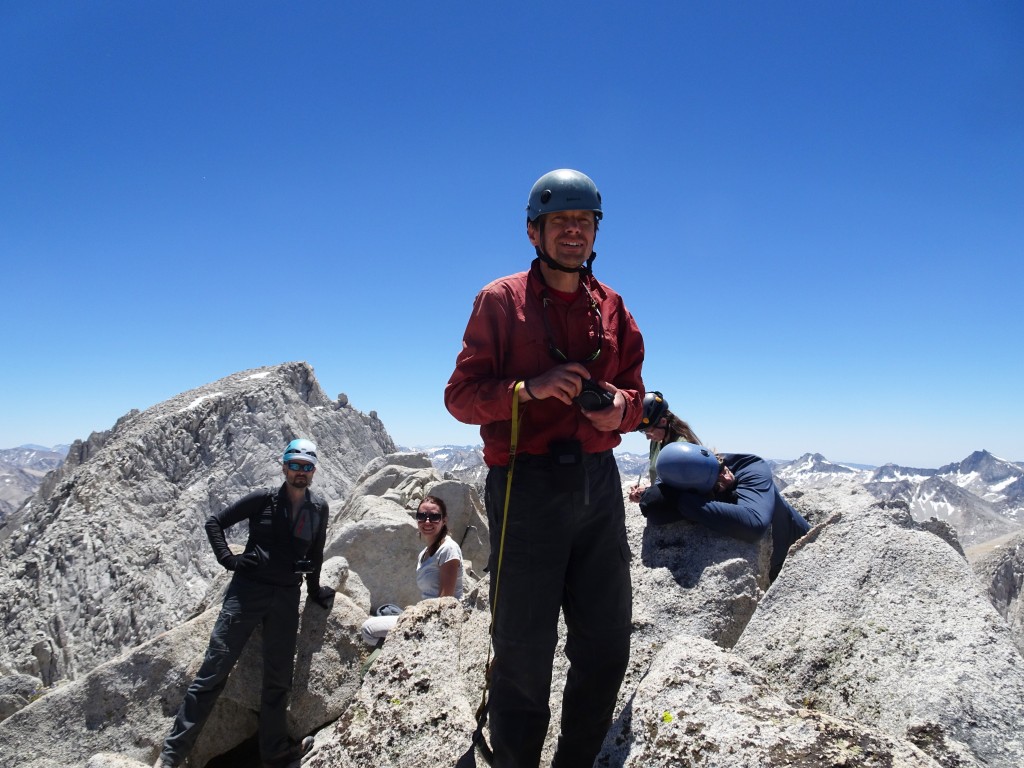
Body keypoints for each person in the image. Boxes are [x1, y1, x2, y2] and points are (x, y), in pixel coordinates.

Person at [445, 168, 646, 768]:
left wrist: (622, 411)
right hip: (527, 485)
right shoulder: (501, 301)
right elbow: (460, 396)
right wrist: (528, 390)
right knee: (523, 650)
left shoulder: (612, 306)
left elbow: (637, 394)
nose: (573, 233)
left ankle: (575, 760)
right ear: (534, 231)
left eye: (584, 222)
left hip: (597, 484)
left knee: (607, 644)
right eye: (560, 222)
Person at [154, 439, 335, 768]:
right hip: (246, 593)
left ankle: (275, 754)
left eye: (306, 467)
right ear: (283, 466)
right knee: (213, 672)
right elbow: (215, 523)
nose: (300, 472)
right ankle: (172, 757)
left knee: (278, 680)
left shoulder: (318, 507)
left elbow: (316, 553)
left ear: (313, 471)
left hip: (285, 596)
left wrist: (314, 590)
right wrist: (229, 560)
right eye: (294, 465)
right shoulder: (263, 499)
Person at [638, 441, 811, 581]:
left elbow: (754, 525)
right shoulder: (681, 476)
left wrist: (680, 500)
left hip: (801, 554)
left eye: (721, 468)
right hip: (771, 567)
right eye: (716, 482)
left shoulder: (752, 466)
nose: (727, 477)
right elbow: (655, 511)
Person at [360, 495, 464, 647]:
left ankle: (399, 651)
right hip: (427, 613)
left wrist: (415, 617)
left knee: (368, 629)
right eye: (422, 516)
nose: (427, 521)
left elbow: (446, 600)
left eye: (434, 517)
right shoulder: (424, 553)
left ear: (444, 520)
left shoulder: (448, 549)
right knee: (384, 613)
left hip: (439, 619)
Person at [627, 390, 702, 495]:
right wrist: (646, 490)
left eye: (648, 431)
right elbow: (659, 480)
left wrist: (649, 494)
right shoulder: (656, 442)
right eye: (643, 432)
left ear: (663, 422)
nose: (648, 437)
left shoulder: (682, 448)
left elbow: (679, 490)